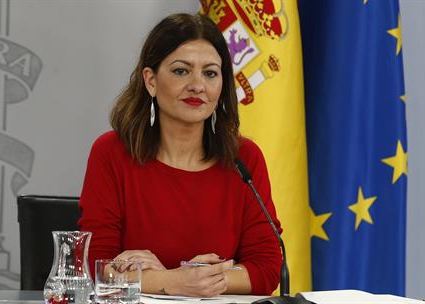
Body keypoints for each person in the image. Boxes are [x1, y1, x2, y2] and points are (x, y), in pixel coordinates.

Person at [78, 13, 282, 297]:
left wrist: (197, 279)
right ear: (150, 80)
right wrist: (174, 282)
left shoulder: (244, 159)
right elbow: (97, 266)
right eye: (181, 71)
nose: (197, 85)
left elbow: (268, 268)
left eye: (210, 73)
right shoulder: (111, 153)